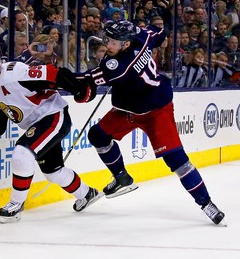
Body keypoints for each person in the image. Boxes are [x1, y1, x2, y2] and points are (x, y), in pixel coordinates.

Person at [80, 20, 225, 225]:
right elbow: (159, 33)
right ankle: (121, 177)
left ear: (126, 44)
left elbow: (85, 79)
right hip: (129, 108)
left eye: (113, 42)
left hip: (156, 110)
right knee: (97, 135)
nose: (108, 45)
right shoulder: (141, 37)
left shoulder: (118, 66)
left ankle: (206, 203)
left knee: (177, 161)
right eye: (108, 40)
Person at [0, 47, 102, 223]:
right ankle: (86, 194)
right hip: (37, 124)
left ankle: (16, 204)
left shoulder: (15, 72)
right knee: (53, 172)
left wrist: (78, 88)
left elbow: (54, 73)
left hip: (53, 115)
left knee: (22, 153)